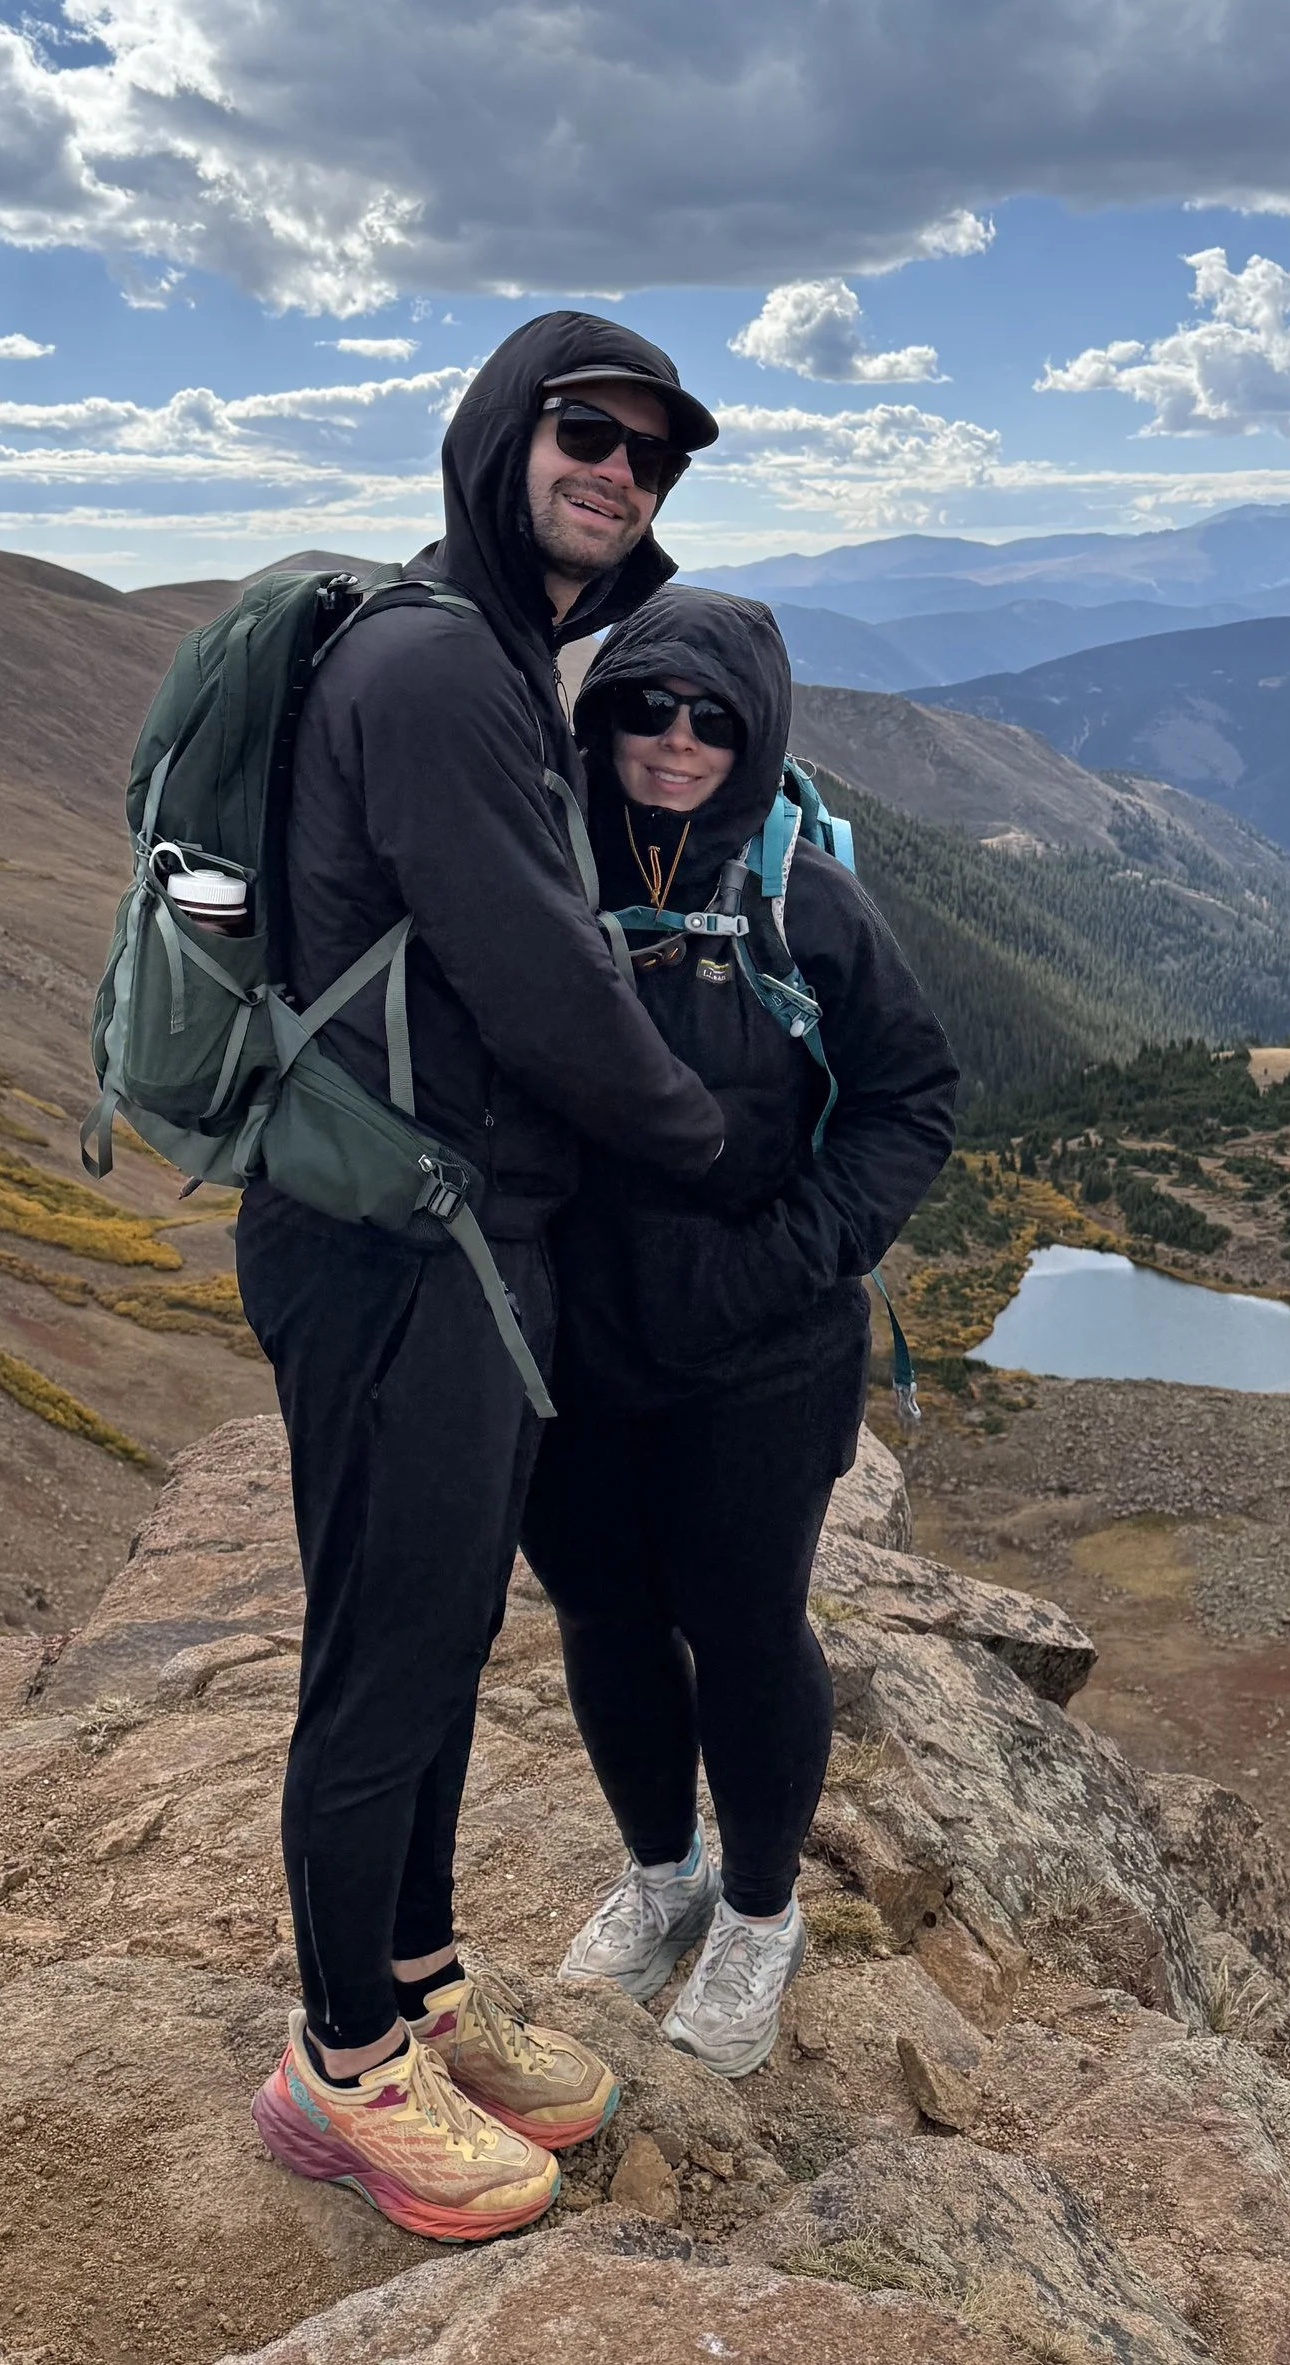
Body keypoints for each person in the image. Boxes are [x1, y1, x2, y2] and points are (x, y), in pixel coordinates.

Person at [242, 315, 732, 2243]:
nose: (620, 474)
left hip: (454, 1232)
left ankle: (421, 1986)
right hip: (395, 1247)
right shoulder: (448, 668)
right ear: (500, 437)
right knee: (383, 1656)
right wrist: (705, 1145)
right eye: (588, 435)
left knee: (441, 1633)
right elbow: (539, 973)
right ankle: (340, 2066)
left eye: (654, 458)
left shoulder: (497, 650)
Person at [523, 586, 958, 2077]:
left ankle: (761, 1914)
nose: (678, 741)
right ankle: (665, 1874)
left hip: (759, 1352)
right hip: (572, 1347)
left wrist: (787, 1258)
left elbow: (912, 1099)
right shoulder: (534, 860)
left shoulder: (803, 901)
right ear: (602, 715)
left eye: (715, 717)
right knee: (603, 1616)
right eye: (647, 707)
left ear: (757, 729)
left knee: (746, 1626)